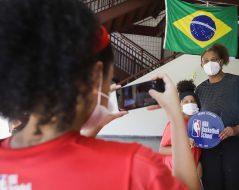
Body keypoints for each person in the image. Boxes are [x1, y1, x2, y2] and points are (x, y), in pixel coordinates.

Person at [0, 0, 200, 189]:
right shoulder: (135, 168)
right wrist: (175, 116)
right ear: (95, 76)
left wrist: (91, 129)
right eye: (110, 78)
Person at [195, 44, 239, 190]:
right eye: (205, 61)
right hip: (209, 150)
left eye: (213, 59)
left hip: (236, 146)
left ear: (221, 61)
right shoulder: (200, 90)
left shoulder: (237, 82)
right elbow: (197, 119)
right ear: (201, 64)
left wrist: (238, 128)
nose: (209, 63)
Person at [160, 80, 202, 176]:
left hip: (193, 170)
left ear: (197, 104)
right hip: (174, 170)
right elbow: (162, 150)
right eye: (185, 102)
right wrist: (183, 146)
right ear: (180, 105)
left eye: (192, 101)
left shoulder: (199, 123)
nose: (189, 104)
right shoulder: (175, 123)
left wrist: (199, 163)